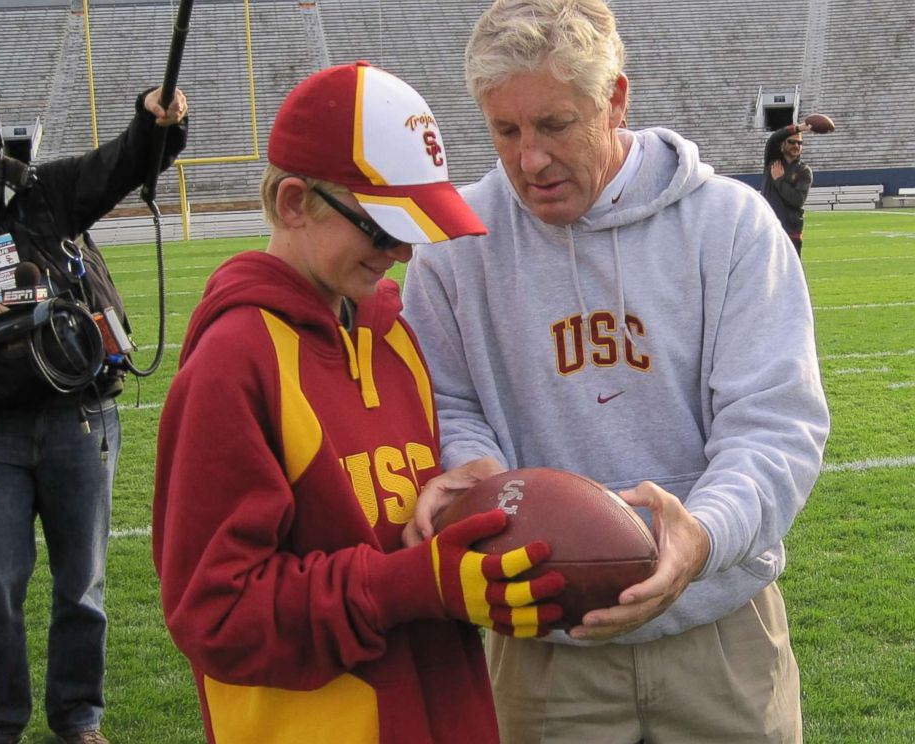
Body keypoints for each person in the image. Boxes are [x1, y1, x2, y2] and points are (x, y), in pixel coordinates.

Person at [401, 1, 830, 742]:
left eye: (555, 125)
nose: (529, 159)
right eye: (506, 130)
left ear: (615, 100)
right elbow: (450, 400)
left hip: (720, 631)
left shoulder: (730, 224)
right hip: (541, 642)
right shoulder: (453, 247)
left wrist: (701, 536)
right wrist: (476, 474)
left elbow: (774, 425)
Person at [152, 61, 565, 744]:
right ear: (293, 203)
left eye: (413, 229)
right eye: (381, 228)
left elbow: (394, 525)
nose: (402, 254)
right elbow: (215, 612)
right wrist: (413, 585)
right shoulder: (234, 363)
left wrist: (460, 506)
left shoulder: (394, 338)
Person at [0, 87, 188, 744]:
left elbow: (126, 161)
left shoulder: (47, 190)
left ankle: (78, 719)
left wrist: (156, 117)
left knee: (82, 587)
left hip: (79, 422)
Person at [761, 122, 815, 256]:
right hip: (769, 226)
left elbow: (797, 200)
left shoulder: (804, 171)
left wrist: (779, 180)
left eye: (799, 143)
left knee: (792, 274)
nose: (796, 146)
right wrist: (797, 128)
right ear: (783, 144)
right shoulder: (772, 161)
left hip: (791, 229)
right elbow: (773, 139)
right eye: (792, 142)